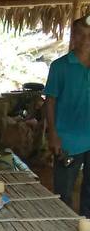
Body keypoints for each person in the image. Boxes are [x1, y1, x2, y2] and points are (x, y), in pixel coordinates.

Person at [45, 14, 90, 215]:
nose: (85, 40)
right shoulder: (60, 66)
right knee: (63, 193)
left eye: (89, 35)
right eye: (80, 35)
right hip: (67, 140)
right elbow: (50, 101)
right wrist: (53, 134)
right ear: (73, 37)